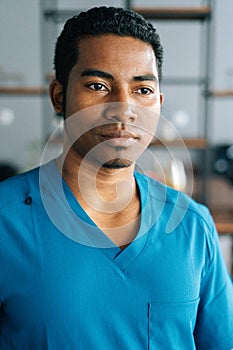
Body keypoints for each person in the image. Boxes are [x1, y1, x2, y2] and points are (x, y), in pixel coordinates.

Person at [0, 6, 232, 349]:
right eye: (98, 85)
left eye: (142, 90)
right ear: (59, 96)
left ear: (159, 103)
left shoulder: (193, 226)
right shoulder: (6, 221)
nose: (124, 107)